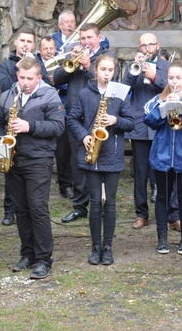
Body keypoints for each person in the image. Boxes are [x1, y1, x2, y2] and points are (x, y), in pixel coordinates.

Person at [0, 57, 65, 279]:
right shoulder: (8, 95)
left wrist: (29, 126)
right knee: (21, 210)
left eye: (29, 78)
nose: (24, 82)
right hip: (14, 159)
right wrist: (2, 138)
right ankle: (28, 253)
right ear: (17, 75)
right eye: (21, 78)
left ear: (39, 78)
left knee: (37, 208)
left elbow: (58, 126)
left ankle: (45, 259)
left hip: (39, 159)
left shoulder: (50, 95)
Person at [67, 53, 134, 265]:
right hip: (92, 155)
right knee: (95, 203)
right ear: (95, 71)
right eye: (103, 69)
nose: (106, 73)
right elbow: (72, 118)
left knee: (111, 204)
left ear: (114, 72)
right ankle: (95, 246)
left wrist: (115, 119)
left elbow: (131, 122)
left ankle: (108, 246)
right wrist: (84, 136)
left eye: (110, 70)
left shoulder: (121, 93)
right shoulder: (85, 94)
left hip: (112, 155)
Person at [55, 23, 119, 223]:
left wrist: (88, 66)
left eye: (89, 38)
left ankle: (101, 204)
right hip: (77, 116)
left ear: (99, 38)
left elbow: (114, 79)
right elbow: (57, 78)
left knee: (100, 160)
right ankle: (79, 206)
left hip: (100, 116)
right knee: (78, 162)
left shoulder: (109, 57)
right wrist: (71, 60)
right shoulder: (74, 53)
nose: (85, 42)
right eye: (82, 38)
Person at [144, 61, 182, 255]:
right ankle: (162, 239)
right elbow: (149, 120)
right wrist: (165, 107)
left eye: (178, 78)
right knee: (162, 197)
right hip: (162, 155)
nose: (174, 82)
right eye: (171, 78)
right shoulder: (158, 99)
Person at [122, 33, 173, 230]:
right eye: (143, 45)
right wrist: (134, 71)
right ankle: (141, 213)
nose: (147, 48)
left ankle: (169, 212)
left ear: (158, 46)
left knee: (165, 170)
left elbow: (172, 89)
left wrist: (154, 78)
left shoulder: (167, 67)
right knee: (140, 173)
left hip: (161, 123)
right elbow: (123, 88)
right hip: (140, 125)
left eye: (150, 44)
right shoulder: (132, 66)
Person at [0, 27, 42, 226]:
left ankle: (26, 210)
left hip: (30, 126)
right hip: (12, 123)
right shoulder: (7, 65)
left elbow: (48, 83)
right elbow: (5, 86)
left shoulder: (39, 64)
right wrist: (21, 70)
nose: (25, 44)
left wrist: (35, 63)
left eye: (29, 41)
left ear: (34, 45)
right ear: (15, 42)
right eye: (22, 40)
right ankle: (9, 210)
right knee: (10, 170)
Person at [38, 35, 72, 198]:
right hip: (41, 113)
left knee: (63, 151)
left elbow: (68, 84)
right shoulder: (35, 63)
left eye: (51, 48)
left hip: (60, 111)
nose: (49, 51)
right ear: (39, 50)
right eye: (45, 48)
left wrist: (58, 82)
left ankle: (65, 185)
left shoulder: (62, 62)